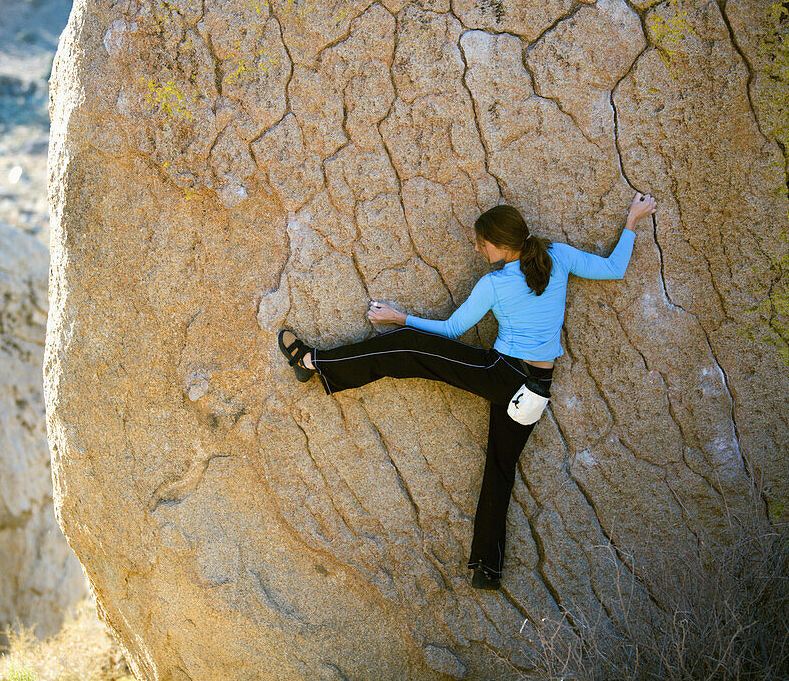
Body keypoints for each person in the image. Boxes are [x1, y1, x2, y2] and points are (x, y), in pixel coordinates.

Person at [278, 192, 658, 591]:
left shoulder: (495, 283)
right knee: (500, 469)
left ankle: (312, 363)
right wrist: (632, 220)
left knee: (408, 344)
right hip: (538, 390)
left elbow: (451, 331)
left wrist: (399, 316)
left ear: (498, 244)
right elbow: (615, 269)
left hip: (502, 374)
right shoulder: (558, 255)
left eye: (480, 243)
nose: (477, 249)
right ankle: (487, 571)